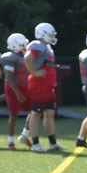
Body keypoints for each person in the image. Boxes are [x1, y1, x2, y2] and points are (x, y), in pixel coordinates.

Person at [25, 22, 64, 152]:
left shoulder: (46, 47)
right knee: (36, 113)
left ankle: (52, 142)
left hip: (47, 85)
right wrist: (33, 72)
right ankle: (35, 143)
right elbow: (28, 57)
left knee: (49, 114)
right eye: (51, 34)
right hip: (38, 84)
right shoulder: (37, 45)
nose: (53, 36)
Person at [2, 33, 32, 150]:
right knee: (13, 115)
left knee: (34, 111)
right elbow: (9, 78)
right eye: (23, 44)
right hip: (13, 88)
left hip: (26, 86)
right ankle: (10, 140)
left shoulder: (26, 56)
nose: (26, 46)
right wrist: (18, 93)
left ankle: (24, 135)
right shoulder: (10, 58)